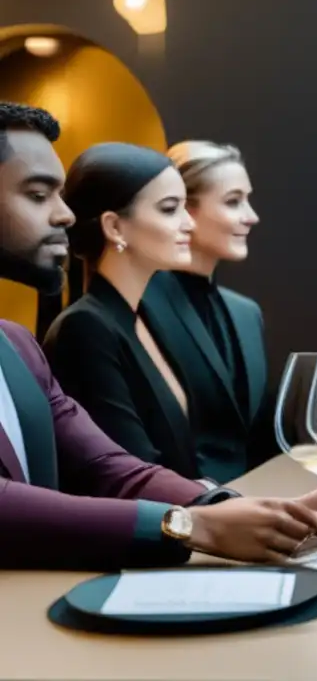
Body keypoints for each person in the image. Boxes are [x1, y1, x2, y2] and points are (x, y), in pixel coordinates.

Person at [0, 102, 317, 570]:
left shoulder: (17, 346)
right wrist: (193, 525)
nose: (66, 215)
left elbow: (108, 467)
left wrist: (229, 507)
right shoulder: (84, 328)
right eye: (37, 195)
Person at [42, 143, 202, 478]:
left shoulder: (145, 317)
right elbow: (129, 472)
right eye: (170, 208)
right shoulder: (85, 329)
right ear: (114, 227)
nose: (189, 223)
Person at [141, 141, 269, 482]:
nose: (251, 216)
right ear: (184, 208)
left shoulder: (247, 313)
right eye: (233, 201)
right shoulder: (137, 306)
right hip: (179, 518)